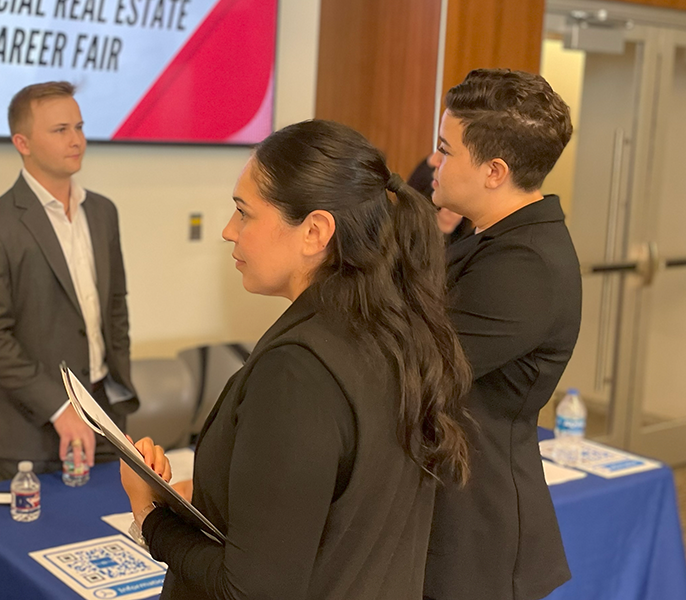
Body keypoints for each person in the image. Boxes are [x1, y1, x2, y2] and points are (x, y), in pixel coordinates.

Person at [119, 119, 472, 600]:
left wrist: (150, 518)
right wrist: (210, 497)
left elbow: (252, 589)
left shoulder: (297, 373)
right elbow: (329, 511)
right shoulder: (393, 332)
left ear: (314, 231)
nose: (228, 231)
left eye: (244, 213)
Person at [423, 69, 580, 600]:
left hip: (476, 536)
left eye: (445, 151)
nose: (434, 165)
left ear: (494, 170)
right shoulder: (493, 239)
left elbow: (415, 363)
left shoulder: (525, 266)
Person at [0, 81, 137, 482]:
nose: (76, 140)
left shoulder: (103, 212)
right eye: (60, 130)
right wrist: (60, 407)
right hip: (31, 434)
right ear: (22, 142)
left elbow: (115, 306)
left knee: (113, 537)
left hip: (108, 418)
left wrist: (117, 387)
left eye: (79, 127)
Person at [407, 157, 470, 243]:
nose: (455, 214)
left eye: (460, 203)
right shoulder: (391, 245)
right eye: (445, 202)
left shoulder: (468, 247)